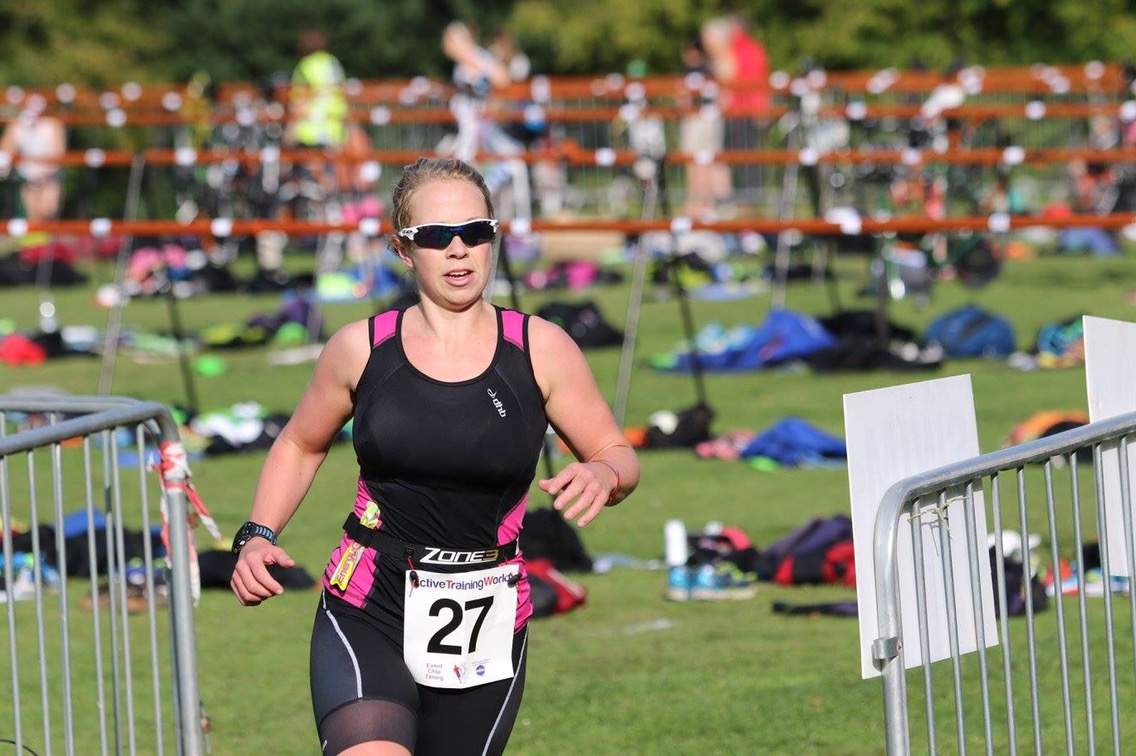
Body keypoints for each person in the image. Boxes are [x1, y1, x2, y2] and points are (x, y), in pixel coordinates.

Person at [230, 156, 640, 756]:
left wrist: (604, 472)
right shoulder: (361, 349)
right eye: (436, 236)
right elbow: (299, 443)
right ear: (403, 248)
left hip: (486, 618)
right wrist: (257, 534)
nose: (458, 249)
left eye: (475, 231)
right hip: (368, 602)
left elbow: (617, 452)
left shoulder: (540, 349)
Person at [0, 93, 67, 223]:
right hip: (28, 178)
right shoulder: (17, 126)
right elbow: (6, 149)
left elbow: (58, 155)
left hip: (49, 177)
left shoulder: (53, 125)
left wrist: (41, 177)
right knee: (33, 216)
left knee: (48, 211)